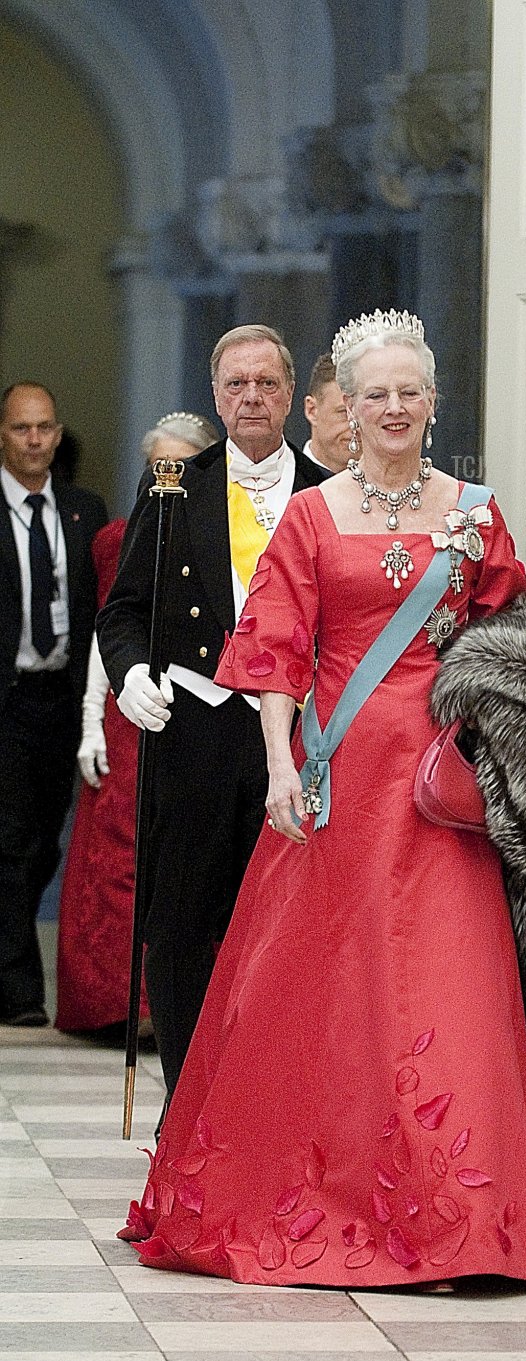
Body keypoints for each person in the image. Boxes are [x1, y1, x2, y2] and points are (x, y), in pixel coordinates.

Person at [118, 308, 526, 1289]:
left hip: (441, 786)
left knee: (447, 986)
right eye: (375, 394)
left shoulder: (474, 513)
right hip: (337, 778)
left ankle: (463, 1219)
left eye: (410, 391)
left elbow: (512, 641)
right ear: (345, 409)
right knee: (333, 992)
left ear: (433, 402)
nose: (394, 407)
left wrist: (505, 737)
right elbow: (276, 648)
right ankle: (334, 1194)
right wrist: (280, 762)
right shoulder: (314, 516)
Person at [96, 329, 327, 1097]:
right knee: (184, 927)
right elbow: (123, 611)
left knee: (289, 930)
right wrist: (130, 674)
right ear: (216, 394)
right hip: (193, 732)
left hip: (297, 742)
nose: (251, 397)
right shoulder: (173, 487)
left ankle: (268, 1103)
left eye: (266, 382)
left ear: (290, 395)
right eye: (236, 384)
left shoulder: (328, 492)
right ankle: (188, 1102)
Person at [56, 413, 221, 1034]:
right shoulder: (120, 537)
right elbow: (110, 627)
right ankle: (117, 1004)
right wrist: (91, 717)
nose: (167, 478)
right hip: (131, 708)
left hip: (202, 710)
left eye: (179, 466)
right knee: (120, 854)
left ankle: (180, 1007)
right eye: (157, 468)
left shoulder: (228, 532)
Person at [0, 383, 107, 1027]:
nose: (34, 439)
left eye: (44, 427)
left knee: (44, 844)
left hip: (63, 696)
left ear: (59, 434)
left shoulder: (82, 510)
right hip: (9, 696)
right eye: (21, 428)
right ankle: (18, 993)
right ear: (2, 435)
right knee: (12, 842)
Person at [301, 352, 353, 472]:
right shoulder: (283, 479)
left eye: (364, 412)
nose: (356, 426)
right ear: (312, 410)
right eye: (344, 413)